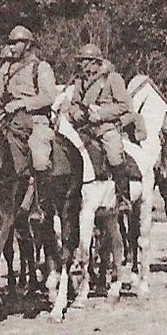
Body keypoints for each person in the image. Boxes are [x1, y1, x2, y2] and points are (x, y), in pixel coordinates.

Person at [0, 25, 59, 187]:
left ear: (28, 45)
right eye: (10, 43)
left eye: (16, 43)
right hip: (9, 121)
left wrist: (20, 104)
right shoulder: (6, 68)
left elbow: (48, 96)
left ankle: (39, 203)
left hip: (36, 121)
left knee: (40, 159)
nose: (11, 47)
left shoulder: (41, 67)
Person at [66, 44, 133, 213]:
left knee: (114, 155)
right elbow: (74, 103)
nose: (81, 64)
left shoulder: (112, 78)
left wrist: (102, 114)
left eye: (85, 61)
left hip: (105, 127)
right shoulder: (80, 80)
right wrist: (75, 113)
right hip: (84, 127)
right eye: (80, 61)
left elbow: (124, 105)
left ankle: (123, 197)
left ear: (96, 62)